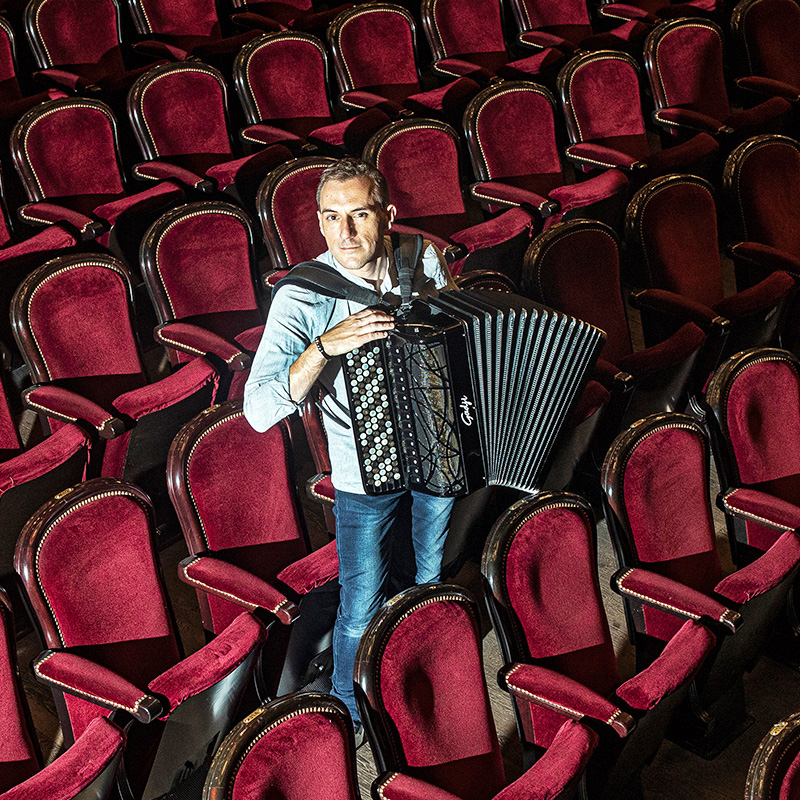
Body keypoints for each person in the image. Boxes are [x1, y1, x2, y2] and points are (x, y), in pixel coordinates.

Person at [243, 158, 457, 735]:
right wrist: (323, 347)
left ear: (386, 216)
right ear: (317, 222)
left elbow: (456, 345)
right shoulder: (304, 296)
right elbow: (259, 409)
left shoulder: (423, 259)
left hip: (437, 455)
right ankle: (350, 712)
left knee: (427, 580)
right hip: (362, 472)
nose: (347, 233)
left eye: (359, 215)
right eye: (332, 218)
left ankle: (418, 672)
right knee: (360, 605)